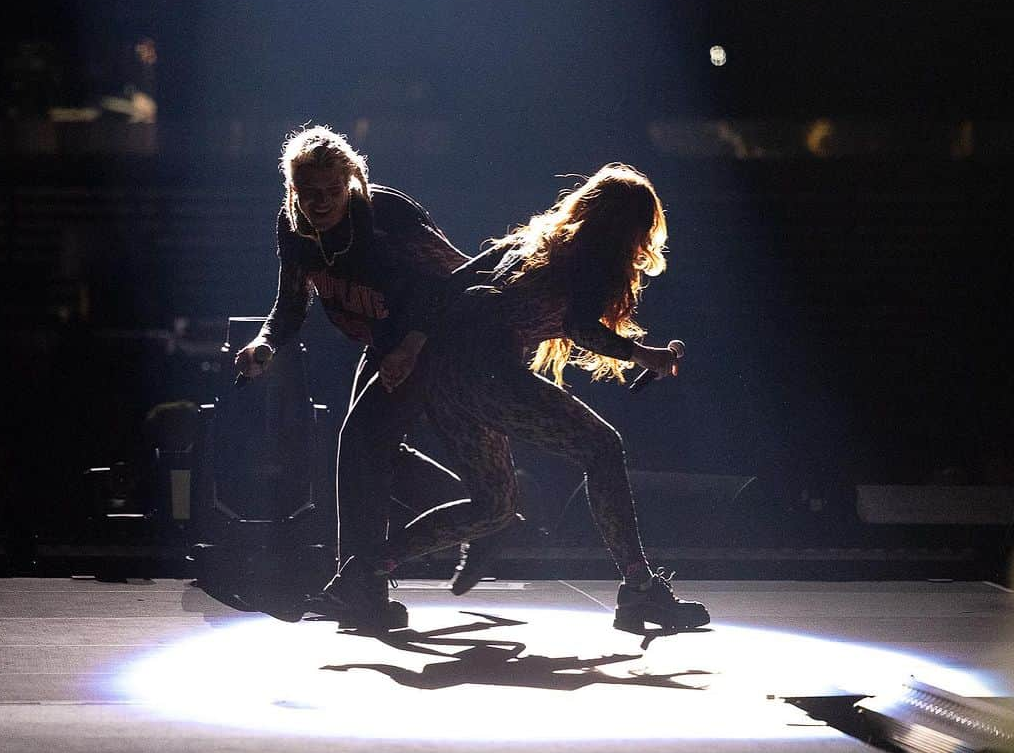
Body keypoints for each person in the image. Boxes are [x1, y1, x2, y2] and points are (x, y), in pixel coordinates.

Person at [319, 163, 710, 634]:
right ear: (633, 227)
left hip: (447, 377)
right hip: (487, 371)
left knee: (494, 504)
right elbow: (579, 328)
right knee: (601, 448)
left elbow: (450, 285)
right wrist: (643, 355)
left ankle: (361, 573)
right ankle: (639, 590)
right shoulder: (591, 258)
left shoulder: (537, 241)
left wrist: (416, 346)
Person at [235, 124, 502, 630]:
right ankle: (485, 517)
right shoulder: (294, 229)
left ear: (350, 182)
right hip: (385, 344)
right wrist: (264, 344)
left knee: (358, 443)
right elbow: (290, 306)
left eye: (331, 192)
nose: (320, 203)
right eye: (308, 193)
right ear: (293, 189)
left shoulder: (387, 217)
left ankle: (363, 588)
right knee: (372, 451)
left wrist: (413, 342)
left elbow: (456, 278)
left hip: (433, 340)